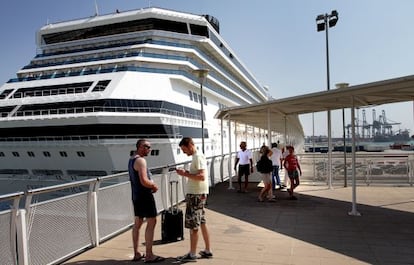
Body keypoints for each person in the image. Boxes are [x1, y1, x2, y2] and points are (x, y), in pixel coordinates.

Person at [176, 137, 213, 261]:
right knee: (201, 222)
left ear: (190, 145)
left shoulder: (197, 157)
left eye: (184, 149)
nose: (184, 152)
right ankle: (208, 250)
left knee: (194, 225)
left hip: (196, 195)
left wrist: (184, 174)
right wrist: (186, 172)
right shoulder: (198, 156)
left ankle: (192, 254)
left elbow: (201, 176)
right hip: (199, 194)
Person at [128, 139, 165, 263]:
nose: (149, 149)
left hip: (136, 196)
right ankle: (149, 255)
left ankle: (137, 253)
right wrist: (154, 186)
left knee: (137, 224)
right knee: (152, 222)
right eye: (147, 147)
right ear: (140, 147)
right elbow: (144, 180)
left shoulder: (132, 160)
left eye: (149, 147)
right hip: (145, 196)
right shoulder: (141, 161)